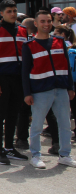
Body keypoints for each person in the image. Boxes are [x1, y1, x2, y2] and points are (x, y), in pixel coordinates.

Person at [22, 10, 76, 168]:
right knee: (37, 125)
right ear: (36, 24)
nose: (46, 24)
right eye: (43, 21)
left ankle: (65, 155)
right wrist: (27, 93)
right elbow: (25, 71)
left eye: (49, 21)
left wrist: (70, 87)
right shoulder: (29, 46)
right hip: (40, 91)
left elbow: (66, 66)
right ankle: (36, 155)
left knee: (65, 124)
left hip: (61, 89)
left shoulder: (60, 41)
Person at [0, 0, 29, 165]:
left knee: (13, 114)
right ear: (2, 13)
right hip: (2, 79)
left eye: (14, 11)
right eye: (9, 11)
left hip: (18, 79)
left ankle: (10, 148)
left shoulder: (23, 31)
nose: (12, 14)